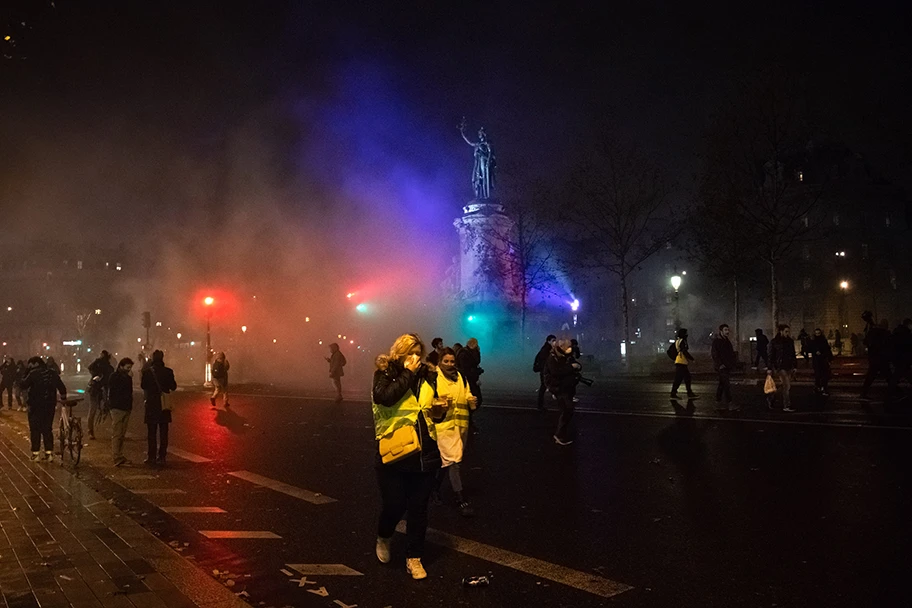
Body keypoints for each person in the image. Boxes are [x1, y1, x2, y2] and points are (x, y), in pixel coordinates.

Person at [372, 333, 442, 580]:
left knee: (419, 509)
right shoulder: (384, 373)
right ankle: (384, 536)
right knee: (394, 504)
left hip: (424, 452)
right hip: (394, 452)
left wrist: (439, 412)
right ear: (399, 354)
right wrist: (408, 373)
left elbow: (427, 411)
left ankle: (414, 557)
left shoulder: (429, 376)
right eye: (410, 353)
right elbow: (385, 397)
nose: (415, 358)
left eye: (418, 354)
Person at [430, 347, 477, 517]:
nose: (450, 364)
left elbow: (467, 394)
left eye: (452, 361)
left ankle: (434, 489)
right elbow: (427, 400)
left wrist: (471, 399)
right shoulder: (434, 378)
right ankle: (460, 498)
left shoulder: (461, 377)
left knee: (447, 462)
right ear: (439, 361)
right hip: (443, 427)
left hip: (460, 427)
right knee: (454, 461)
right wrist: (438, 404)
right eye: (446, 361)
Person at [20, 356, 67, 462]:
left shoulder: (33, 373)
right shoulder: (52, 372)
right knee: (47, 428)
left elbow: (23, 385)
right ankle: (49, 453)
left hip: (35, 405)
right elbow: (62, 387)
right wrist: (63, 398)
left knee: (35, 429)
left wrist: (27, 371)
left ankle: (35, 454)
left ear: (35, 364)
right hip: (49, 405)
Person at [141, 350, 177, 466]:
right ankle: (162, 456)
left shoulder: (147, 372)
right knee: (163, 432)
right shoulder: (168, 371)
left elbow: (143, 386)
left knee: (151, 432)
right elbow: (173, 386)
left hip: (152, 404)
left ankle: (151, 456)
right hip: (163, 405)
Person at [545, 338, 580, 445]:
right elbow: (557, 372)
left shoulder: (565, 356)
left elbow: (575, 363)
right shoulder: (553, 358)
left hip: (566, 387)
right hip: (559, 388)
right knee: (567, 410)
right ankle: (559, 435)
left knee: (567, 411)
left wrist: (577, 366)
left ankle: (560, 434)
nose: (569, 349)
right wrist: (571, 367)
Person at [860, 316, 895, 401]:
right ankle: (895, 392)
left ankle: (864, 393)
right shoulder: (885, 334)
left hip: (875, 358)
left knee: (871, 376)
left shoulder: (873, 332)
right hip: (882, 358)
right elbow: (889, 345)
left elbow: (866, 342)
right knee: (888, 376)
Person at [109, 358, 135, 466]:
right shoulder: (115, 377)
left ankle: (119, 455)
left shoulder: (127, 378)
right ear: (121, 366)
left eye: (130, 368)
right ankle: (116, 456)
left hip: (126, 408)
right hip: (117, 408)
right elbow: (117, 391)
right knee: (117, 433)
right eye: (127, 367)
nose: (129, 370)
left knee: (122, 434)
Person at [768, 324, 797, 412]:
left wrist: (794, 366)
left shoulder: (790, 341)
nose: (787, 333)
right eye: (786, 331)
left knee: (785, 386)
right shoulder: (774, 342)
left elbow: (793, 354)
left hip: (788, 366)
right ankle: (786, 405)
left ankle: (771, 397)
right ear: (781, 331)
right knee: (786, 385)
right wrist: (770, 368)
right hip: (780, 367)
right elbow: (771, 355)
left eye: (788, 332)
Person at [87, 350, 114, 440]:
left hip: (98, 389)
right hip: (100, 390)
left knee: (94, 411)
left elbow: (90, 368)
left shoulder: (100, 365)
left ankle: (90, 431)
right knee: (108, 411)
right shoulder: (108, 367)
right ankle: (115, 432)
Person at [711, 324, 738, 410]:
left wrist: (733, 363)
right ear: (721, 331)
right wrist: (720, 364)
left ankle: (717, 402)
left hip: (727, 366)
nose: (727, 332)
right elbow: (715, 354)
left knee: (722, 384)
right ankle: (730, 403)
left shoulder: (727, 340)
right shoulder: (717, 341)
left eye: (728, 330)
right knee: (726, 385)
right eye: (725, 330)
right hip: (721, 367)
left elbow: (729, 353)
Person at [455, 337, 483, 410]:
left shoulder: (469, 353)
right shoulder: (464, 354)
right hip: (468, 379)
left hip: (471, 378)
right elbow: (465, 369)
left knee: (476, 399)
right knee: (475, 399)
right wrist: (476, 373)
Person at [670, 328, 698, 400]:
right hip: (681, 362)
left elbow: (671, 351)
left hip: (679, 361)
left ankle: (688, 393)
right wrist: (692, 359)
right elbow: (685, 351)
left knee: (686, 378)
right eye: (686, 333)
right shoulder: (683, 341)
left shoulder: (677, 341)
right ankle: (674, 394)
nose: (687, 334)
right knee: (680, 379)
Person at [533, 335, 557, 411]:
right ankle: (540, 406)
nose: (554, 342)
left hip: (545, 371)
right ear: (548, 341)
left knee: (544, 387)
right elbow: (546, 362)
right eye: (553, 340)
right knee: (544, 387)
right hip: (545, 371)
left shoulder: (547, 349)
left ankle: (540, 405)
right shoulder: (546, 350)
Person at [809, 328, 833, 396]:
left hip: (823, 360)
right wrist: (815, 351)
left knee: (823, 375)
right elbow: (810, 348)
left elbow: (827, 349)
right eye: (816, 333)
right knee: (818, 375)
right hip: (817, 361)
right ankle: (818, 387)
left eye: (818, 333)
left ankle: (822, 387)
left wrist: (828, 357)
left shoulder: (823, 341)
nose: (817, 335)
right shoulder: (813, 341)